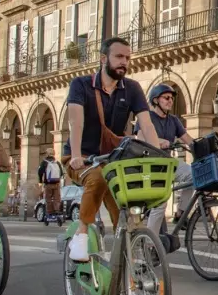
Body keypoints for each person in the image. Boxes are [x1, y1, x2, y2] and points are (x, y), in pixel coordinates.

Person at [63, 37, 160, 264]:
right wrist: (76, 155)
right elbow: (75, 122)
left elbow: (147, 125)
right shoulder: (81, 85)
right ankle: (81, 234)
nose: (124, 62)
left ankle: (128, 259)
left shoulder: (132, 88)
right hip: (82, 158)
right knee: (97, 177)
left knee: (127, 203)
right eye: (119, 56)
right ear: (103, 59)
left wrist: (159, 157)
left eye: (127, 58)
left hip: (113, 160)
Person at [139, 84, 195, 236]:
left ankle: (181, 213)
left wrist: (203, 147)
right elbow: (140, 137)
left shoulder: (174, 120)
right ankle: (151, 243)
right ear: (155, 100)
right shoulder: (147, 118)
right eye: (166, 97)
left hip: (168, 163)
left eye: (172, 98)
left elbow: (188, 139)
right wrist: (158, 141)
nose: (170, 100)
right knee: (160, 204)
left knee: (193, 175)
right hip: (151, 166)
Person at [37, 151, 64, 221]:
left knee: (48, 198)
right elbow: (61, 173)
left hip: (48, 184)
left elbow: (40, 172)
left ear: (47, 154)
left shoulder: (44, 162)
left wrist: (40, 181)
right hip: (57, 184)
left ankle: (50, 213)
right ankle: (57, 211)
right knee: (57, 198)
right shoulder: (57, 162)